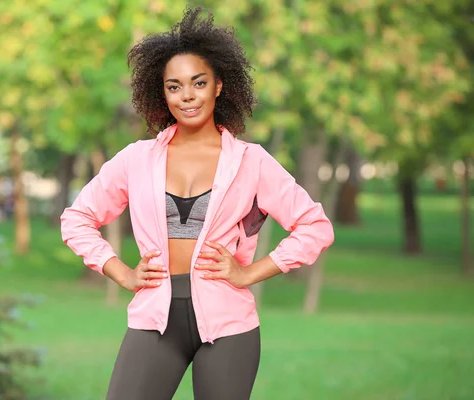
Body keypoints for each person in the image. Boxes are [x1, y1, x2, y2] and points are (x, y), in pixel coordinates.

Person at [61, 7, 334, 400]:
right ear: (162, 93)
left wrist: (250, 273)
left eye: (198, 83)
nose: (187, 96)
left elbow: (315, 227)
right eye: (174, 86)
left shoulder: (251, 161)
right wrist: (120, 272)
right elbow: (77, 218)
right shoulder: (136, 158)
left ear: (219, 85)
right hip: (155, 317)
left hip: (229, 324)